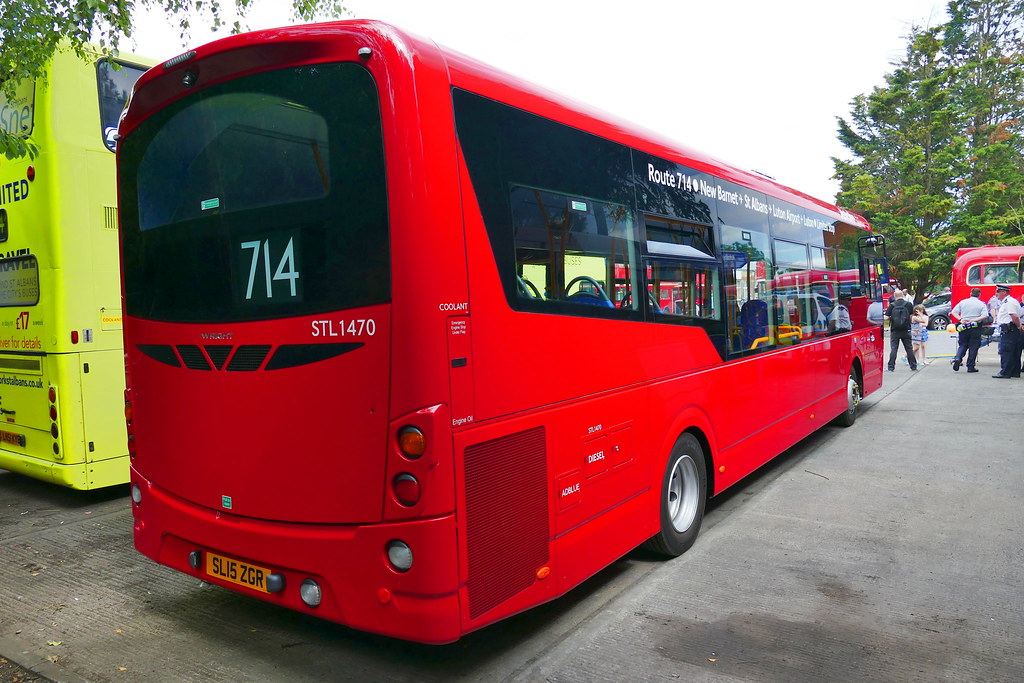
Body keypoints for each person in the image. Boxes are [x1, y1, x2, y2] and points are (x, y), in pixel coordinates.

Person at [949, 287, 989, 372]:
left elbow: (954, 312)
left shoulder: (963, 302)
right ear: (979, 294)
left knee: (963, 345)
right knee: (973, 347)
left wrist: (960, 319)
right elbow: (985, 316)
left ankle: (958, 358)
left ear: (970, 293)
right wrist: (974, 320)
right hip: (975, 327)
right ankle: (970, 366)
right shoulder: (981, 304)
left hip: (963, 326)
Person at [991, 283, 1023, 379]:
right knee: (1014, 351)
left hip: (1010, 329)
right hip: (1011, 329)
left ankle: (1005, 372)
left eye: (998, 291)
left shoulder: (1009, 302)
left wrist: (1018, 326)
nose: (996, 293)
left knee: (1007, 351)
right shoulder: (1008, 301)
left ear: (1004, 292)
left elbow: (1014, 316)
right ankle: (1014, 371)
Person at [884, 290, 917, 371]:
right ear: (903, 296)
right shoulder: (908, 304)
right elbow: (911, 315)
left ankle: (891, 367)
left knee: (894, 348)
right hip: (906, 330)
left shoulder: (892, 305)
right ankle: (913, 366)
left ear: (895, 296)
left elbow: (886, 317)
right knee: (909, 348)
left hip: (895, 330)